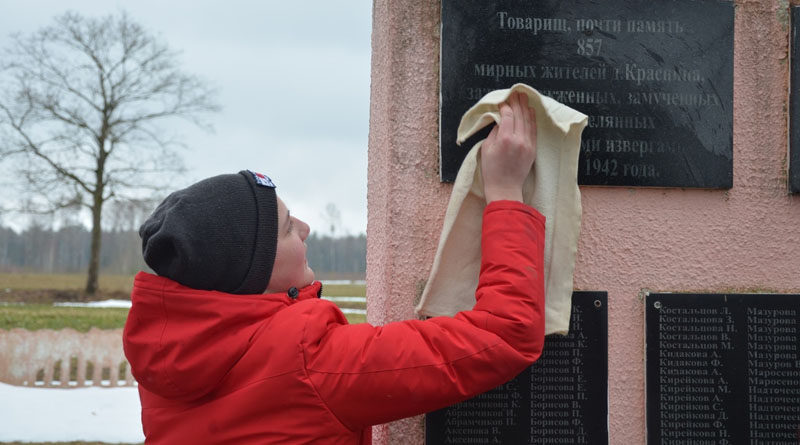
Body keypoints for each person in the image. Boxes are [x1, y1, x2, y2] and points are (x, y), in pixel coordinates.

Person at [123, 91, 543, 444]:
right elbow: (505, 333)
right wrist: (505, 190)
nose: (305, 229)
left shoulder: (168, 358)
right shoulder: (312, 362)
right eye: (287, 229)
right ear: (254, 272)